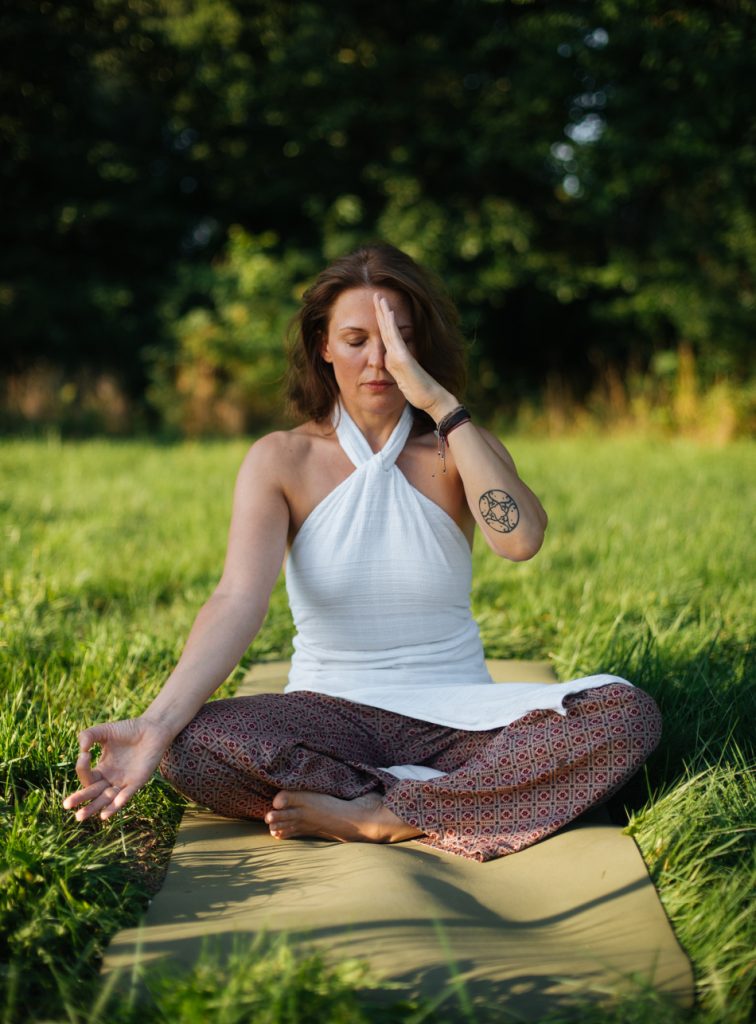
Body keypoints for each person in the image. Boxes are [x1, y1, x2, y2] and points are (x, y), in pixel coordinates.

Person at [63, 243, 661, 862]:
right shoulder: (283, 458)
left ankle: (384, 812)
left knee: (625, 714)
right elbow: (237, 598)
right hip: (328, 716)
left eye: (400, 341)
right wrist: (156, 725)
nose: (380, 361)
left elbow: (520, 541)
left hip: (458, 716)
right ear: (323, 346)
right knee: (192, 747)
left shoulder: (458, 447)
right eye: (356, 340)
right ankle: (452, 799)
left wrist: (443, 407)